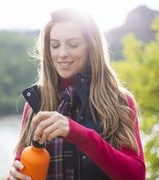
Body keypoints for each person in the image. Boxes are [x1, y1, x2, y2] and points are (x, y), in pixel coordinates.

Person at [9, 9, 145, 180]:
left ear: (91, 47)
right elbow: (21, 168)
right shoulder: (35, 103)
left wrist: (79, 134)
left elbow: (136, 175)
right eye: (55, 45)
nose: (62, 53)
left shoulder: (119, 101)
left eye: (73, 44)